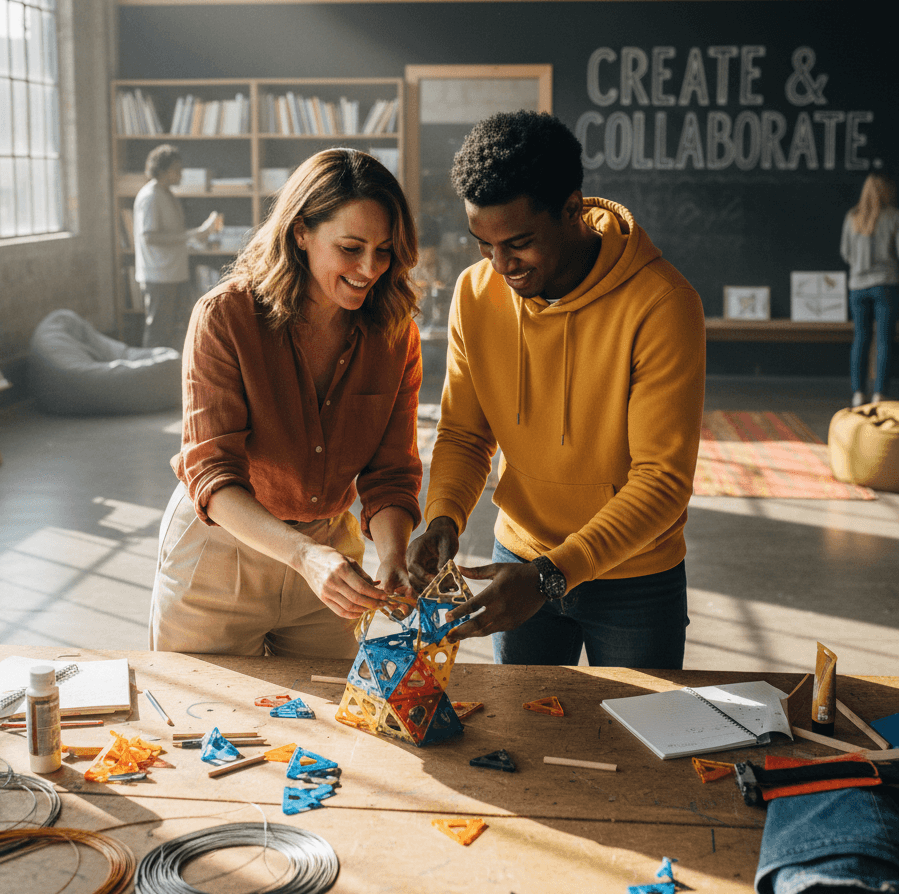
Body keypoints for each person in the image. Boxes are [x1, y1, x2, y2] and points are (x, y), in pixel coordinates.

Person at [406, 110, 706, 669]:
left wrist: (552, 575)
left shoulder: (663, 304)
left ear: (572, 209)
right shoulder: (475, 294)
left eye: (518, 243)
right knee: (520, 723)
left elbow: (662, 481)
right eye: (484, 244)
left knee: (637, 724)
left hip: (635, 578)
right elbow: (465, 434)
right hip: (519, 558)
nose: (501, 265)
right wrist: (443, 516)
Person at [149, 148, 423, 658]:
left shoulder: (394, 333)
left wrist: (393, 557)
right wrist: (303, 555)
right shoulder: (225, 317)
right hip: (221, 550)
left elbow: (390, 472)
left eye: (384, 251)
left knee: (331, 709)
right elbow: (212, 473)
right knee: (199, 705)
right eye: (350, 248)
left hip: (331, 559)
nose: (369, 268)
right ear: (301, 233)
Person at [133, 144, 219, 349]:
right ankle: (151, 368)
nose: (181, 173)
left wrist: (195, 238)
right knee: (158, 331)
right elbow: (149, 237)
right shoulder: (151, 196)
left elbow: (172, 235)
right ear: (162, 170)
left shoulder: (166, 194)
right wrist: (191, 235)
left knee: (173, 330)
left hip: (173, 273)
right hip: (159, 275)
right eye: (176, 169)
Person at [840, 173, 899, 405]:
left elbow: (845, 253)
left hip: (857, 287)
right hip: (885, 284)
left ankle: (858, 393)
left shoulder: (852, 217)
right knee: (884, 340)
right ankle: (879, 393)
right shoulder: (894, 216)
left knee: (861, 339)